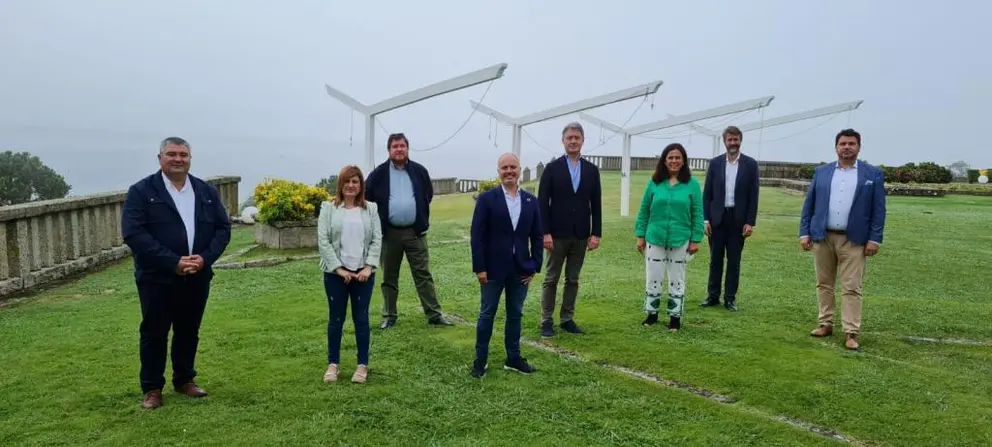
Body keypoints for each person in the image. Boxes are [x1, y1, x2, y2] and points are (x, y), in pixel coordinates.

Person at [121, 137, 232, 409]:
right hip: (157, 277)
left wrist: (204, 259)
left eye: (183, 154)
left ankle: (185, 380)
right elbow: (134, 233)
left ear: (190, 159)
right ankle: (152, 388)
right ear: (159, 158)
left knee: (188, 330)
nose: (178, 159)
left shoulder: (205, 191)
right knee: (154, 332)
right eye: (172, 154)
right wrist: (173, 261)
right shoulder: (142, 191)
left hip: (197, 275)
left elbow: (223, 229)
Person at [799, 128, 886, 351]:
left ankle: (851, 332)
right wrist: (805, 232)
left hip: (854, 240)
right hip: (823, 236)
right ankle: (825, 323)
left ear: (859, 147)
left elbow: (878, 210)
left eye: (851, 144)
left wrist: (875, 239)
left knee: (852, 287)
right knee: (824, 284)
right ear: (836, 147)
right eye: (842, 144)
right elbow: (809, 204)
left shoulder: (872, 174)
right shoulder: (822, 172)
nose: (846, 147)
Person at [364, 133, 453, 329]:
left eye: (402, 146)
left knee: (423, 275)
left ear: (407, 148)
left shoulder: (419, 171)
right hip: (389, 234)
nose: (399, 149)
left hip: (415, 233)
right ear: (389, 150)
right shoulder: (378, 174)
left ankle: (434, 315)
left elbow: (427, 195)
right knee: (389, 277)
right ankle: (389, 316)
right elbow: (367, 198)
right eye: (395, 146)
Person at [469, 153, 543, 378]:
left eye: (513, 167)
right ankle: (480, 360)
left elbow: (537, 236)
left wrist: (534, 265)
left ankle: (513, 358)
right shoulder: (487, 199)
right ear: (499, 171)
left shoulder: (531, 201)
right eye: (504, 168)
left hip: (520, 269)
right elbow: (477, 236)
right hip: (492, 269)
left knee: (515, 314)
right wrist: (480, 267)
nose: (509, 171)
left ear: (519, 170)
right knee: (487, 314)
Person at [317, 165, 382, 384]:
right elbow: (324, 241)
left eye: (355, 181)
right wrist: (338, 268)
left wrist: (368, 266)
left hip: (363, 274)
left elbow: (376, 240)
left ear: (361, 185)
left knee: (361, 319)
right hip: (335, 274)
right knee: (336, 319)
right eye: (347, 181)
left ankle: (362, 365)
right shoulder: (328, 208)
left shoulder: (371, 209)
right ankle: (333, 364)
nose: (351, 185)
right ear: (341, 185)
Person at [537, 122, 603, 338]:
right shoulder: (552, 169)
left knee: (573, 279)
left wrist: (596, 233)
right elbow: (542, 203)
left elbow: (596, 204)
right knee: (551, 278)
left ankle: (567, 319)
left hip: (581, 234)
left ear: (583, 140)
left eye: (577, 137)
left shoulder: (592, 170)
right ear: (563, 141)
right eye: (569, 138)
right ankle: (546, 320)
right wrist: (545, 233)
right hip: (556, 235)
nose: (573, 141)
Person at [634, 143, 704, 332]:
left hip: (680, 238)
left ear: (683, 161)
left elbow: (698, 213)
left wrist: (696, 239)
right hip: (655, 237)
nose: (674, 161)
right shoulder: (655, 182)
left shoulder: (692, 185)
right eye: (670, 157)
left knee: (677, 278)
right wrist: (640, 235)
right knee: (653, 276)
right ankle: (652, 313)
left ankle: (674, 317)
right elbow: (644, 210)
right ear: (664, 160)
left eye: (677, 158)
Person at [701, 125, 760, 312]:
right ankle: (712, 296)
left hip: (738, 220)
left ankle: (730, 299)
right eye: (730, 140)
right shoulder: (716, 163)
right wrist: (705, 219)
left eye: (736, 139)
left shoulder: (750, 165)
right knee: (715, 259)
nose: (733, 143)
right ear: (724, 141)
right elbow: (707, 194)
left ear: (740, 141)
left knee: (734, 261)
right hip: (717, 219)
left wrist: (750, 222)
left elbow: (753, 195)